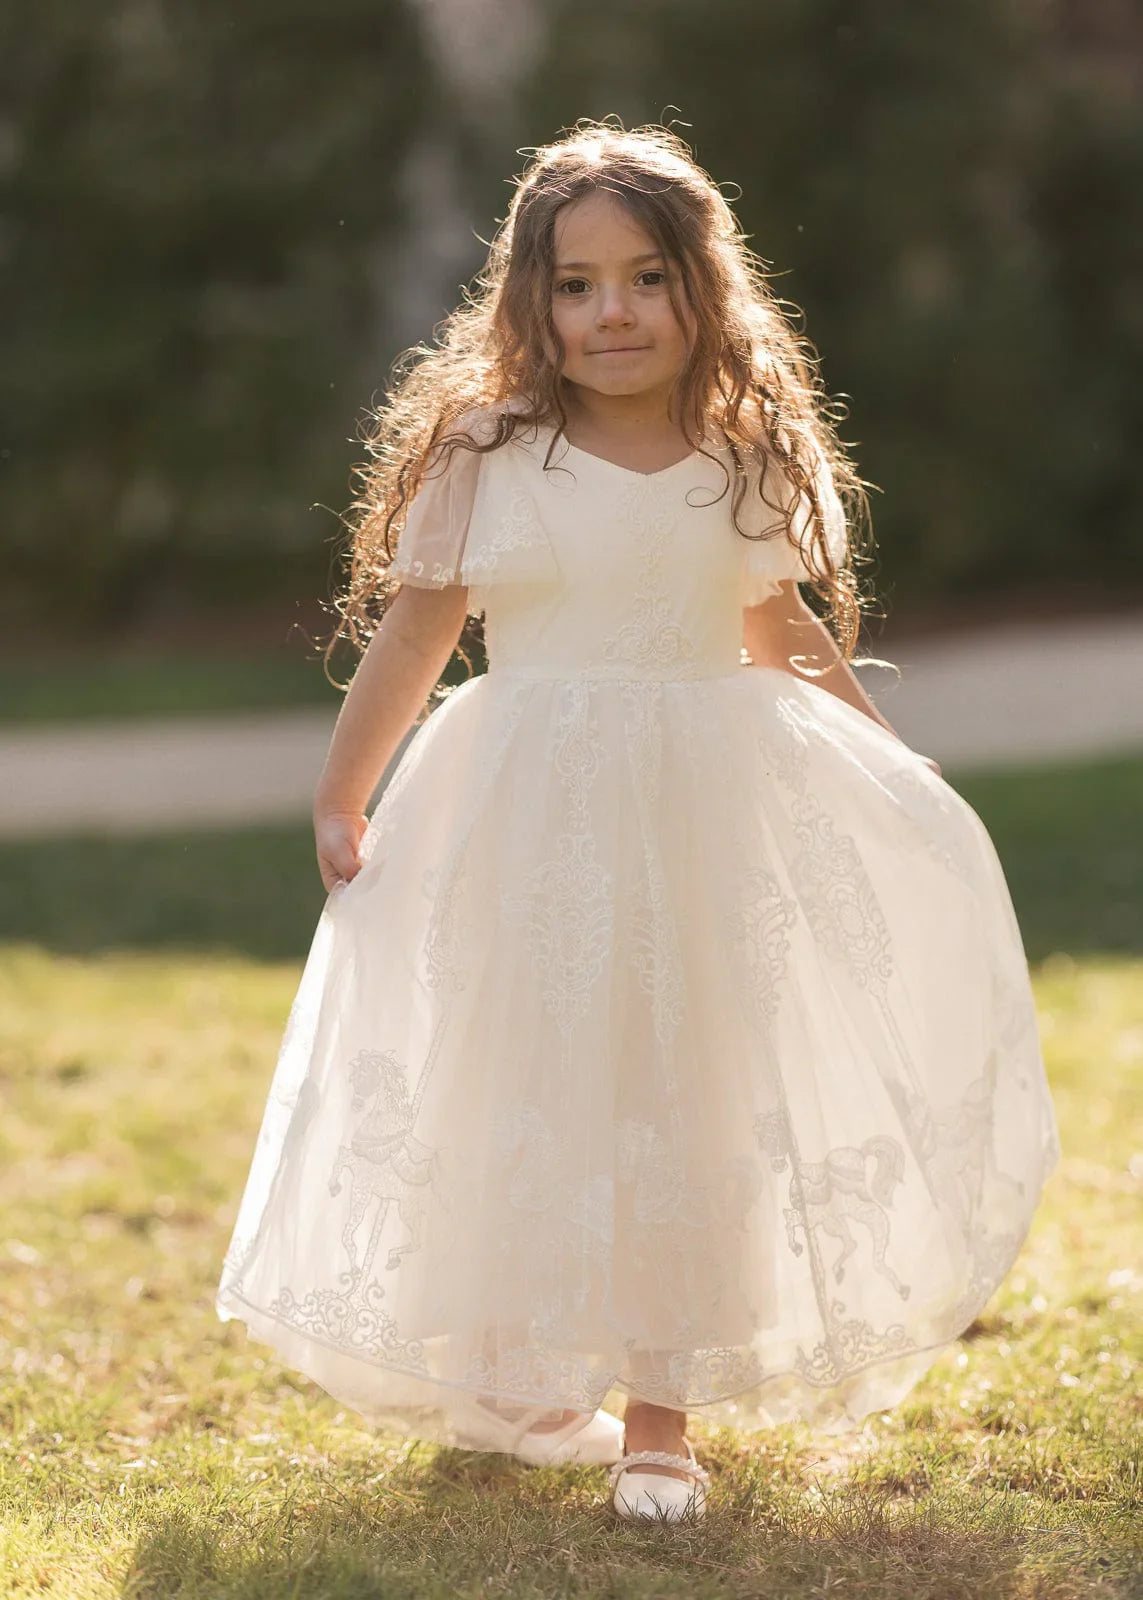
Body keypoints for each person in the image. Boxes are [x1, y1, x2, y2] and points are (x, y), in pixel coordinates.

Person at [215, 122, 1060, 1524]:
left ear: (701, 286)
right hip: (526, 815)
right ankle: (535, 1376)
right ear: (531, 300)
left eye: (646, 278)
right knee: (528, 1080)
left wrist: (885, 758)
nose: (613, 312)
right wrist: (342, 789)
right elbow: (419, 629)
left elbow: (777, 626)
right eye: (577, 284)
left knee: (690, 1088)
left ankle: (660, 1418)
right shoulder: (490, 450)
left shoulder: (740, 452)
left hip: (698, 819)